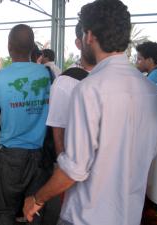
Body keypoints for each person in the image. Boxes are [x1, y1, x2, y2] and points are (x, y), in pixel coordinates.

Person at [23, 1, 157, 225]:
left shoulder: (90, 89)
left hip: (86, 216)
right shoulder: (153, 94)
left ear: (89, 36)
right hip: (128, 215)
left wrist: (37, 199)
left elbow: (75, 168)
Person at [0, 24, 51, 225]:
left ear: (9, 46)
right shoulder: (46, 74)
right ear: (33, 47)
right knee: (34, 209)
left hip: (11, 154)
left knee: (6, 211)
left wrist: (10, 115)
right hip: (40, 153)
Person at [47, 21, 96, 156]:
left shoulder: (113, 76)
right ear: (78, 43)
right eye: (90, 39)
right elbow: (58, 133)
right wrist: (63, 166)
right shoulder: (65, 82)